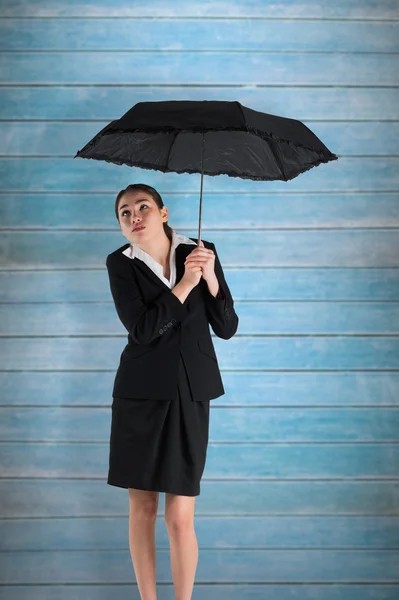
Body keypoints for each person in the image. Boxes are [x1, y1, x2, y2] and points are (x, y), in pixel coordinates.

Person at [106, 182, 239, 599]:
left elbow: (227, 327)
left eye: (142, 207)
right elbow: (143, 331)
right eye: (124, 213)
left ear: (163, 213)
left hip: (190, 391)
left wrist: (210, 278)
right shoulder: (120, 263)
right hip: (140, 394)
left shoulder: (201, 251)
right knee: (142, 508)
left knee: (180, 515)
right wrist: (183, 286)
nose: (134, 216)